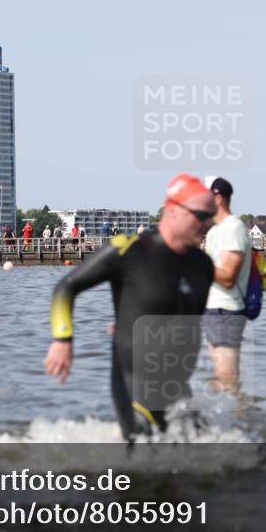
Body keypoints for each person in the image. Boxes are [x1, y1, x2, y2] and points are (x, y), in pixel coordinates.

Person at [44, 174, 215, 441]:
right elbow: (66, 287)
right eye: (202, 215)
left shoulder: (203, 265)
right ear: (172, 211)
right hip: (134, 383)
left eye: (212, 216)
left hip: (177, 387)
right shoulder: (129, 251)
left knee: (212, 457)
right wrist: (63, 339)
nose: (209, 223)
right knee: (145, 464)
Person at [200, 177, 252, 389]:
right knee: (221, 377)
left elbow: (229, 277)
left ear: (218, 198)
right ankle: (230, 419)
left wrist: (198, 261)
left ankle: (239, 420)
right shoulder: (214, 231)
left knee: (227, 377)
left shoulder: (233, 228)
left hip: (227, 310)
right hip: (214, 310)